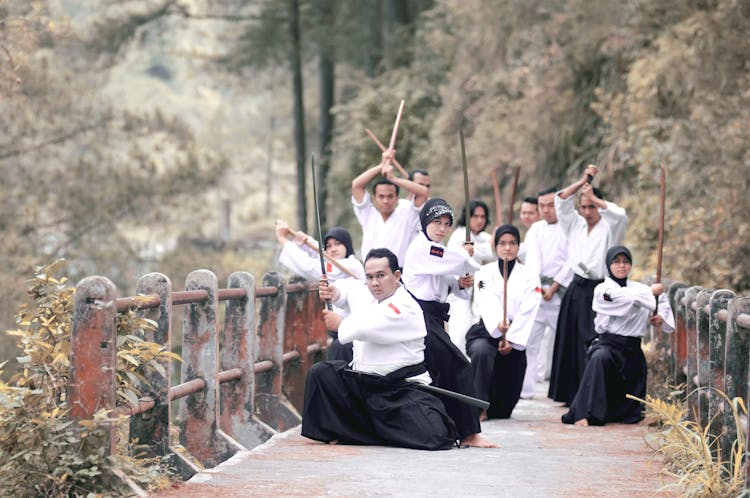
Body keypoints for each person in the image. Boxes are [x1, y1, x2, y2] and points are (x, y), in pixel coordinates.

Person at [301, 248, 458, 450]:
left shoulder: (405, 307)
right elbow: (350, 289)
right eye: (370, 277)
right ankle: (368, 430)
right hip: (365, 383)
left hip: (400, 389)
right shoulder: (369, 293)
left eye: (381, 276)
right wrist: (335, 292)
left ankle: (363, 432)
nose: (375, 282)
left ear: (397, 275)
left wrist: (341, 324)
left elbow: (371, 324)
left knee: (435, 434)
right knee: (321, 373)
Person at [402, 198, 495, 448]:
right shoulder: (423, 248)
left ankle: (449, 427)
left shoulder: (437, 250)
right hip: (417, 317)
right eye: (436, 222)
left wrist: (460, 283)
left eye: (446, 224)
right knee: (459, 365)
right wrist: (466, 255)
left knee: (440, 371)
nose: (442, 228)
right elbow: (451, 259)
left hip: (434, 317)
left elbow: (449, 283)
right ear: (425, 223)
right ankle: (469, 432)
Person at [562, 246, 674, 425]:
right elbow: (626, 299)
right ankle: (584, 413)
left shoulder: (639, 288)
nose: (621, 266)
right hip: (609, 345)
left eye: (626, 262)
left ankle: (621, 412)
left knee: (636, 373)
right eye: (616, 262)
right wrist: (651, 294)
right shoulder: (602, 290)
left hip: (633, 348)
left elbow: (661, 305)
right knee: (599, 359)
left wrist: (659, 316)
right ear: (609, 265)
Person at [548, 164, 628, 405]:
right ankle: (570, 394)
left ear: (599, 205)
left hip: (600, 288)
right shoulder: (575, 224)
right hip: (576, 288)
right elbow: (561, 200)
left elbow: (621, 214)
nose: (587, 210)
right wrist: (583, 180)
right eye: (583, 206)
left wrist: (594, 196)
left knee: (592, 339)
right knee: (571, 339)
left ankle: (592, 393)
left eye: (591, 206)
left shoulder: (610, 226)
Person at [466, 224, 542, 419]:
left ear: (518, 246)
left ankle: (498, 405)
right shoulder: (483, 273)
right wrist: (499, 328)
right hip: (488, 330)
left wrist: (511, 338)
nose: (507, 248)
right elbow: (486, 301)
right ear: (495, 246)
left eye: (512, 243)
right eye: (502, 243)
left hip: (516, 335)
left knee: (503, 411)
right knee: (481, 351)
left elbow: (528, 309)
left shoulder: (530, 276)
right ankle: (478, 405)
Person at [275, 221, 365, 361]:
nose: (333, 249)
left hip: (354, 333)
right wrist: (306, 241)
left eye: (338, 244)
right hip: (340, 332)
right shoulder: (336, 264)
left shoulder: (351, 265)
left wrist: (283, 240)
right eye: (328, 246)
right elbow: (322, 256)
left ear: (347, 244)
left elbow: (312, 266)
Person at [520, 187, 570, 398]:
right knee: (530, 341)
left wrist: (555, 286)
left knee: (564, 341)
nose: (547, 210)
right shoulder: (536, 230)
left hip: (561, 293)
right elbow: (532, 262)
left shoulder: (570, 227)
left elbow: (571, 260)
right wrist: (539, 288)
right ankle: (525, 390)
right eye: (543, 206)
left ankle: (563, 389)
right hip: (538, 292)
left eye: (551, 205)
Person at [352, 148, 429, 267]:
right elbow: (356, 185)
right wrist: (381, 165)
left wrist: (393, 178)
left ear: (397, 198)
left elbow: (423, 192)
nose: (386, 201)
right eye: (381, 196)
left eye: (390, 196)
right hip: (370, 273)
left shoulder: (407, 214)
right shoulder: (368, 215)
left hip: (399, 274)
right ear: (374, 198)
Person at [446, 200, 496, 356]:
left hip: (474, 291)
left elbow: (495, 247)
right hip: (458, 292)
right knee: (460, 333)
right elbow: (489, 251)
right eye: (475, 216)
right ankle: (458, 374)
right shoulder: (461, 235)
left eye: (483, 216)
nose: (480, 220)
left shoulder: (479, 235)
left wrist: (498, 238)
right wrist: (496, 240)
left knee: (472, 330)